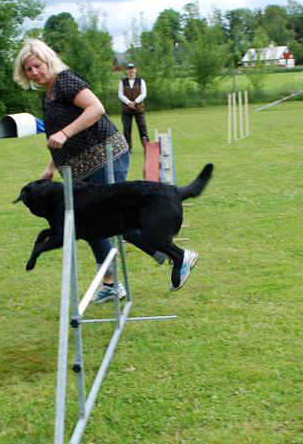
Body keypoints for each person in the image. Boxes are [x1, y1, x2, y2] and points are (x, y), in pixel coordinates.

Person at [12, 39, 198, 301]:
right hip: (79, 166)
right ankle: (117, 280)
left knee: (110, 219)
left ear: (47, 61)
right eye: (28, 69)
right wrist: (50, 166)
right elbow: (56, 137)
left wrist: (65, 133)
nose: (34, 73)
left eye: (37, 65)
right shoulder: (48, 93)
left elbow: (95, 109)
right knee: (88, 223)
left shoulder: (66, 81)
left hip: (106, 155)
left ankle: (172, 255)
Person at [118, 63, 149, 150]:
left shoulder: (141, 81)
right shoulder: (122, 82)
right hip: (126, 109)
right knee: (126, 130)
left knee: (142, 128)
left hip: (139, 109)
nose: (131, 70)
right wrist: (129, 103)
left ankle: (147, 147)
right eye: (129, 69)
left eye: (132, 69)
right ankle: (128, 149)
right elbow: (120, 95)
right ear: (127, 71)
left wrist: (134, 102)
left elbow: (143, 94)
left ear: (135, 70)